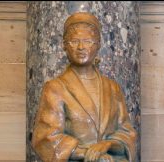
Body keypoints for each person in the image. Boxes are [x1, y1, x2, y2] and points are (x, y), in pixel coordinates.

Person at [32, 12, 137, 162]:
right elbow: (45, 139)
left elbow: (127, 134)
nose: (81, 47)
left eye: (88, 41)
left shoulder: (113, 88)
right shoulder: (55, 88)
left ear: (98, 44)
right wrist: (89, 154)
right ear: (64, 45)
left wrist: (107, 145)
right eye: (74, 41)